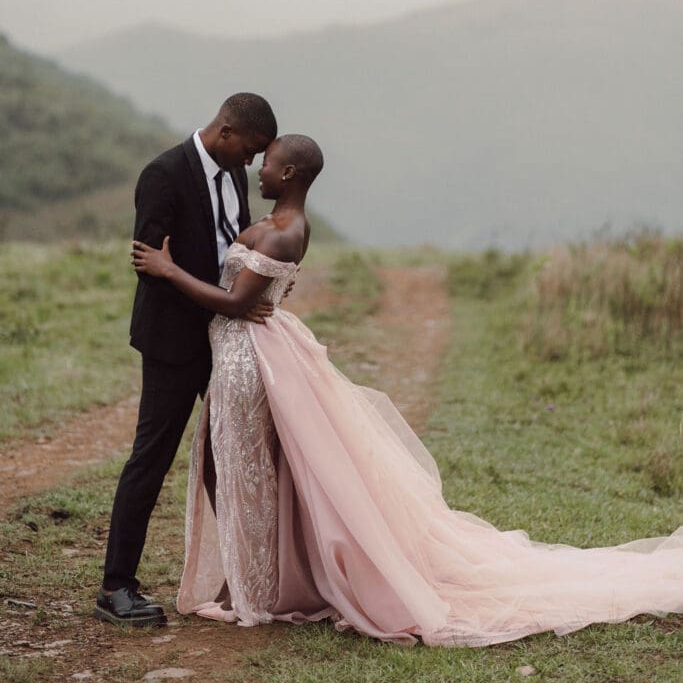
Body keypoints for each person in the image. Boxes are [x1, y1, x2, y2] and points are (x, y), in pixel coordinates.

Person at [131, 135, 683, 646]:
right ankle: (245, 582)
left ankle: (246, 595)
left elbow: (233, 303)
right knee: (230, 467)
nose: (259, 169)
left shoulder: (280, 229)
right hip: (240, 353)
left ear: (291, 171)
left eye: (269, 163)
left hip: (246, 359)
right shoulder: (279, 220)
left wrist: (168, 268)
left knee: (242, 470)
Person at [94, 93, 278, 628]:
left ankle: (249, 575)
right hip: (175, 344)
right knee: (151, 457)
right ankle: (116, 587)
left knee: (234, 456)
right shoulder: (163, 174)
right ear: (226, 132)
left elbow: (229, 247)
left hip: (228, 341)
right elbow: (151, 264)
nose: (252, 162)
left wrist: (240, 302)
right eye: (252, 149)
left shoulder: (233, 173)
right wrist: (218, 303)